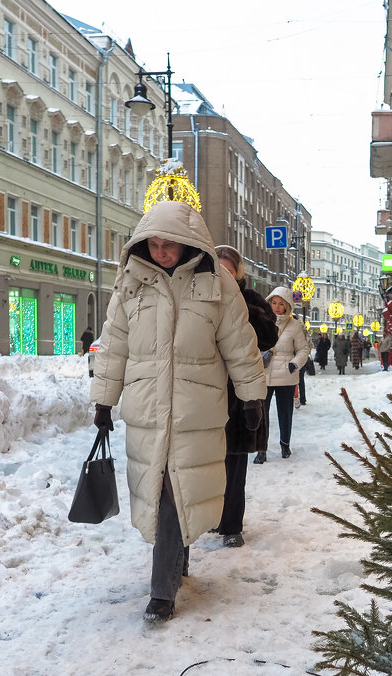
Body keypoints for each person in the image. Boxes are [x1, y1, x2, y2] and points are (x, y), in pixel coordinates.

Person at [89, 202, 267, 624]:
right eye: (153, 243)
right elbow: (114, 345)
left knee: (174, 490)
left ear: (188, 243)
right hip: (148, 408)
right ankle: (174, 564)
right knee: (162, 488)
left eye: (169, 244)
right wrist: (103, 400)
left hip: (195, 410)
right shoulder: (131, 284)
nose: (161, 251)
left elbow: (240, 345)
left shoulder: (217, 284)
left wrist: (252, 396)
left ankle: (162, 592)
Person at [213, 245, 277, 548]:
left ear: (237, 273)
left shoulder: (249, 300)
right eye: (219, 268)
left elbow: (269, 336)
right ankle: (211, 517)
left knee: (235, 463)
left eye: (229, 269)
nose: (223, 274)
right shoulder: (201, 295)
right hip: (205, 394)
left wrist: (243, 310)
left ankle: (231, 526)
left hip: (239, 396)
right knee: (208, 463)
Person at [257, 287, 309, 463]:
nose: (277, 307)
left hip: (286, 375)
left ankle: (285, 445)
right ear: (269, 302)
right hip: (263, 373)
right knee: (261, 414)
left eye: (281, 304)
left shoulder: (295, 325)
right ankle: (261, 449)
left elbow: (303, 349)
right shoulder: (260, 322)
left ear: (287, 306)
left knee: (285, 413)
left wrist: (294, 364)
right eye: (274, 303)